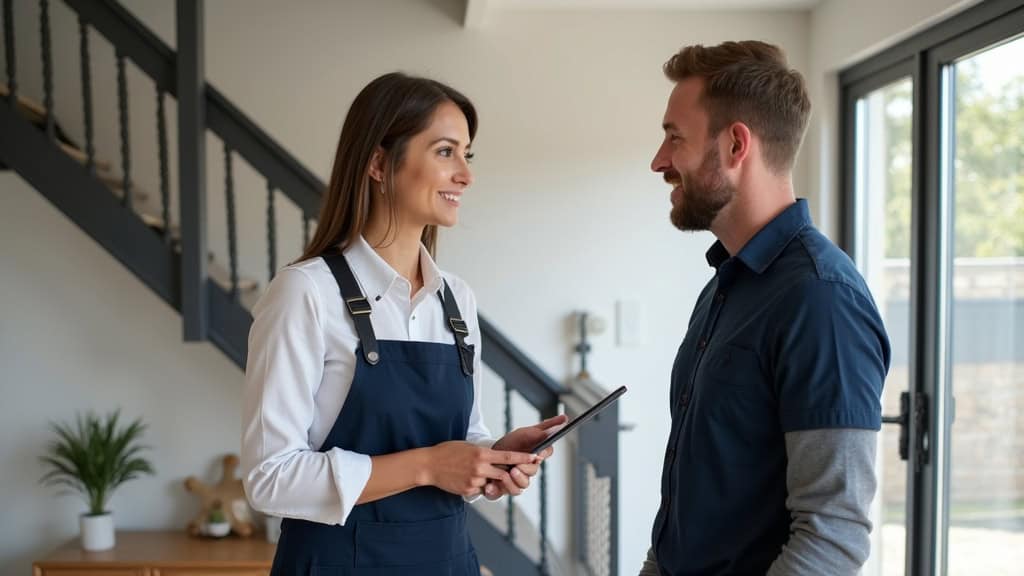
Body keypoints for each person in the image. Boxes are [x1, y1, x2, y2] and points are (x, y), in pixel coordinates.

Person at [241, 72, 567, 576]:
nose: (465, 174)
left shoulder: (456, 299)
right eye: (445, 152)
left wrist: (491, 458)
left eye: (467, 154)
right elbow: (270, 479)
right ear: (377, 163)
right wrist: (429, 465)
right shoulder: (306, 293)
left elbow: (467, 435)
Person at [640, 41, 891, 575]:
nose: (659, 161)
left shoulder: (821, 300)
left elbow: (832, 535)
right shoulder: (726, 285)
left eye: (674, 138)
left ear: (735, 145)